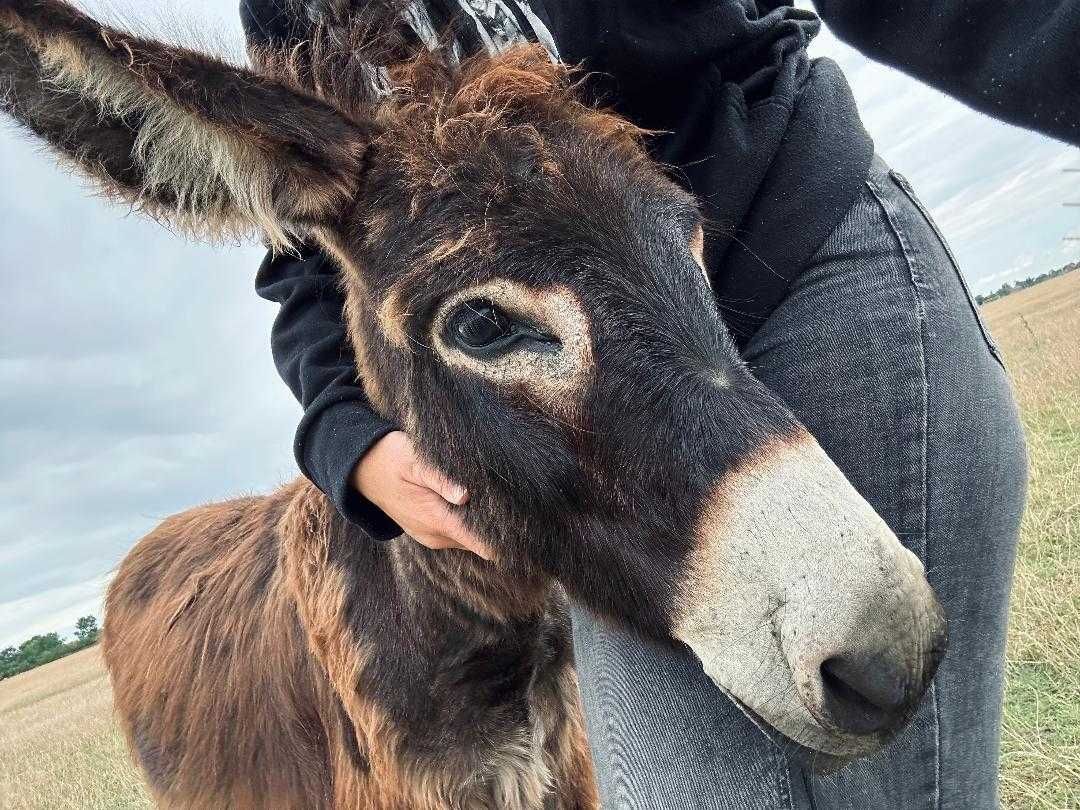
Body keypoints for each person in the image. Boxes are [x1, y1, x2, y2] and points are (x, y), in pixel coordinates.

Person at [241, 2, 1075, 807]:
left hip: (792, 238)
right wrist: (348, 433)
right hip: (607, 422)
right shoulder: (286, 11)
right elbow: (302, 246)